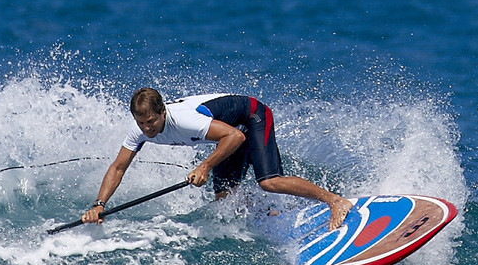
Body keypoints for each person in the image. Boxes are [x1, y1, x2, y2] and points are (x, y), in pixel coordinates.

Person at [81, 88, 352, 228]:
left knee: (269, 182)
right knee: (225, 200)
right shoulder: (138, 130)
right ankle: (274, 215)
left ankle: (335, 201)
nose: (147, 129)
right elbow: (118, 168)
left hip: (252, 116)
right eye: (142, 124)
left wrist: (205, 166)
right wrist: (100, 204)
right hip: (230, 132)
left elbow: (236, 137)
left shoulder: (184, 120)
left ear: (162, 112)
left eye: (151, 121)